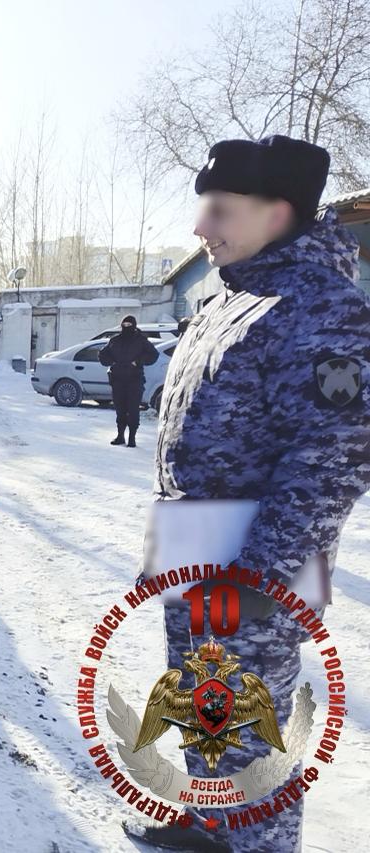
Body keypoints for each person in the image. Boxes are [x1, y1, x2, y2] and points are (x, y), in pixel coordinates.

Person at [125, 135, 370, 852]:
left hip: (258, 558)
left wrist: (260, 574)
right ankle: (206, 822)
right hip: (197, 544)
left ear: (278, 213)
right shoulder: (233, 297)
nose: (201, 228)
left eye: (219, 210)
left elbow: (333, 459)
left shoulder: (323, 308)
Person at [98, 315, 159, 447]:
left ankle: (132, 438)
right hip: (118, 380)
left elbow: (153, 354)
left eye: (129, 325)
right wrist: (112, 361)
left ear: (134, 325)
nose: (126, 327)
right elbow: (102, 355)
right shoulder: (115, 340)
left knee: (133, 409)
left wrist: (138, 361)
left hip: (134, 380)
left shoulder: (141, 340)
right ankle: (120, 436)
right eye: (124, 325)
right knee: (120, 409)